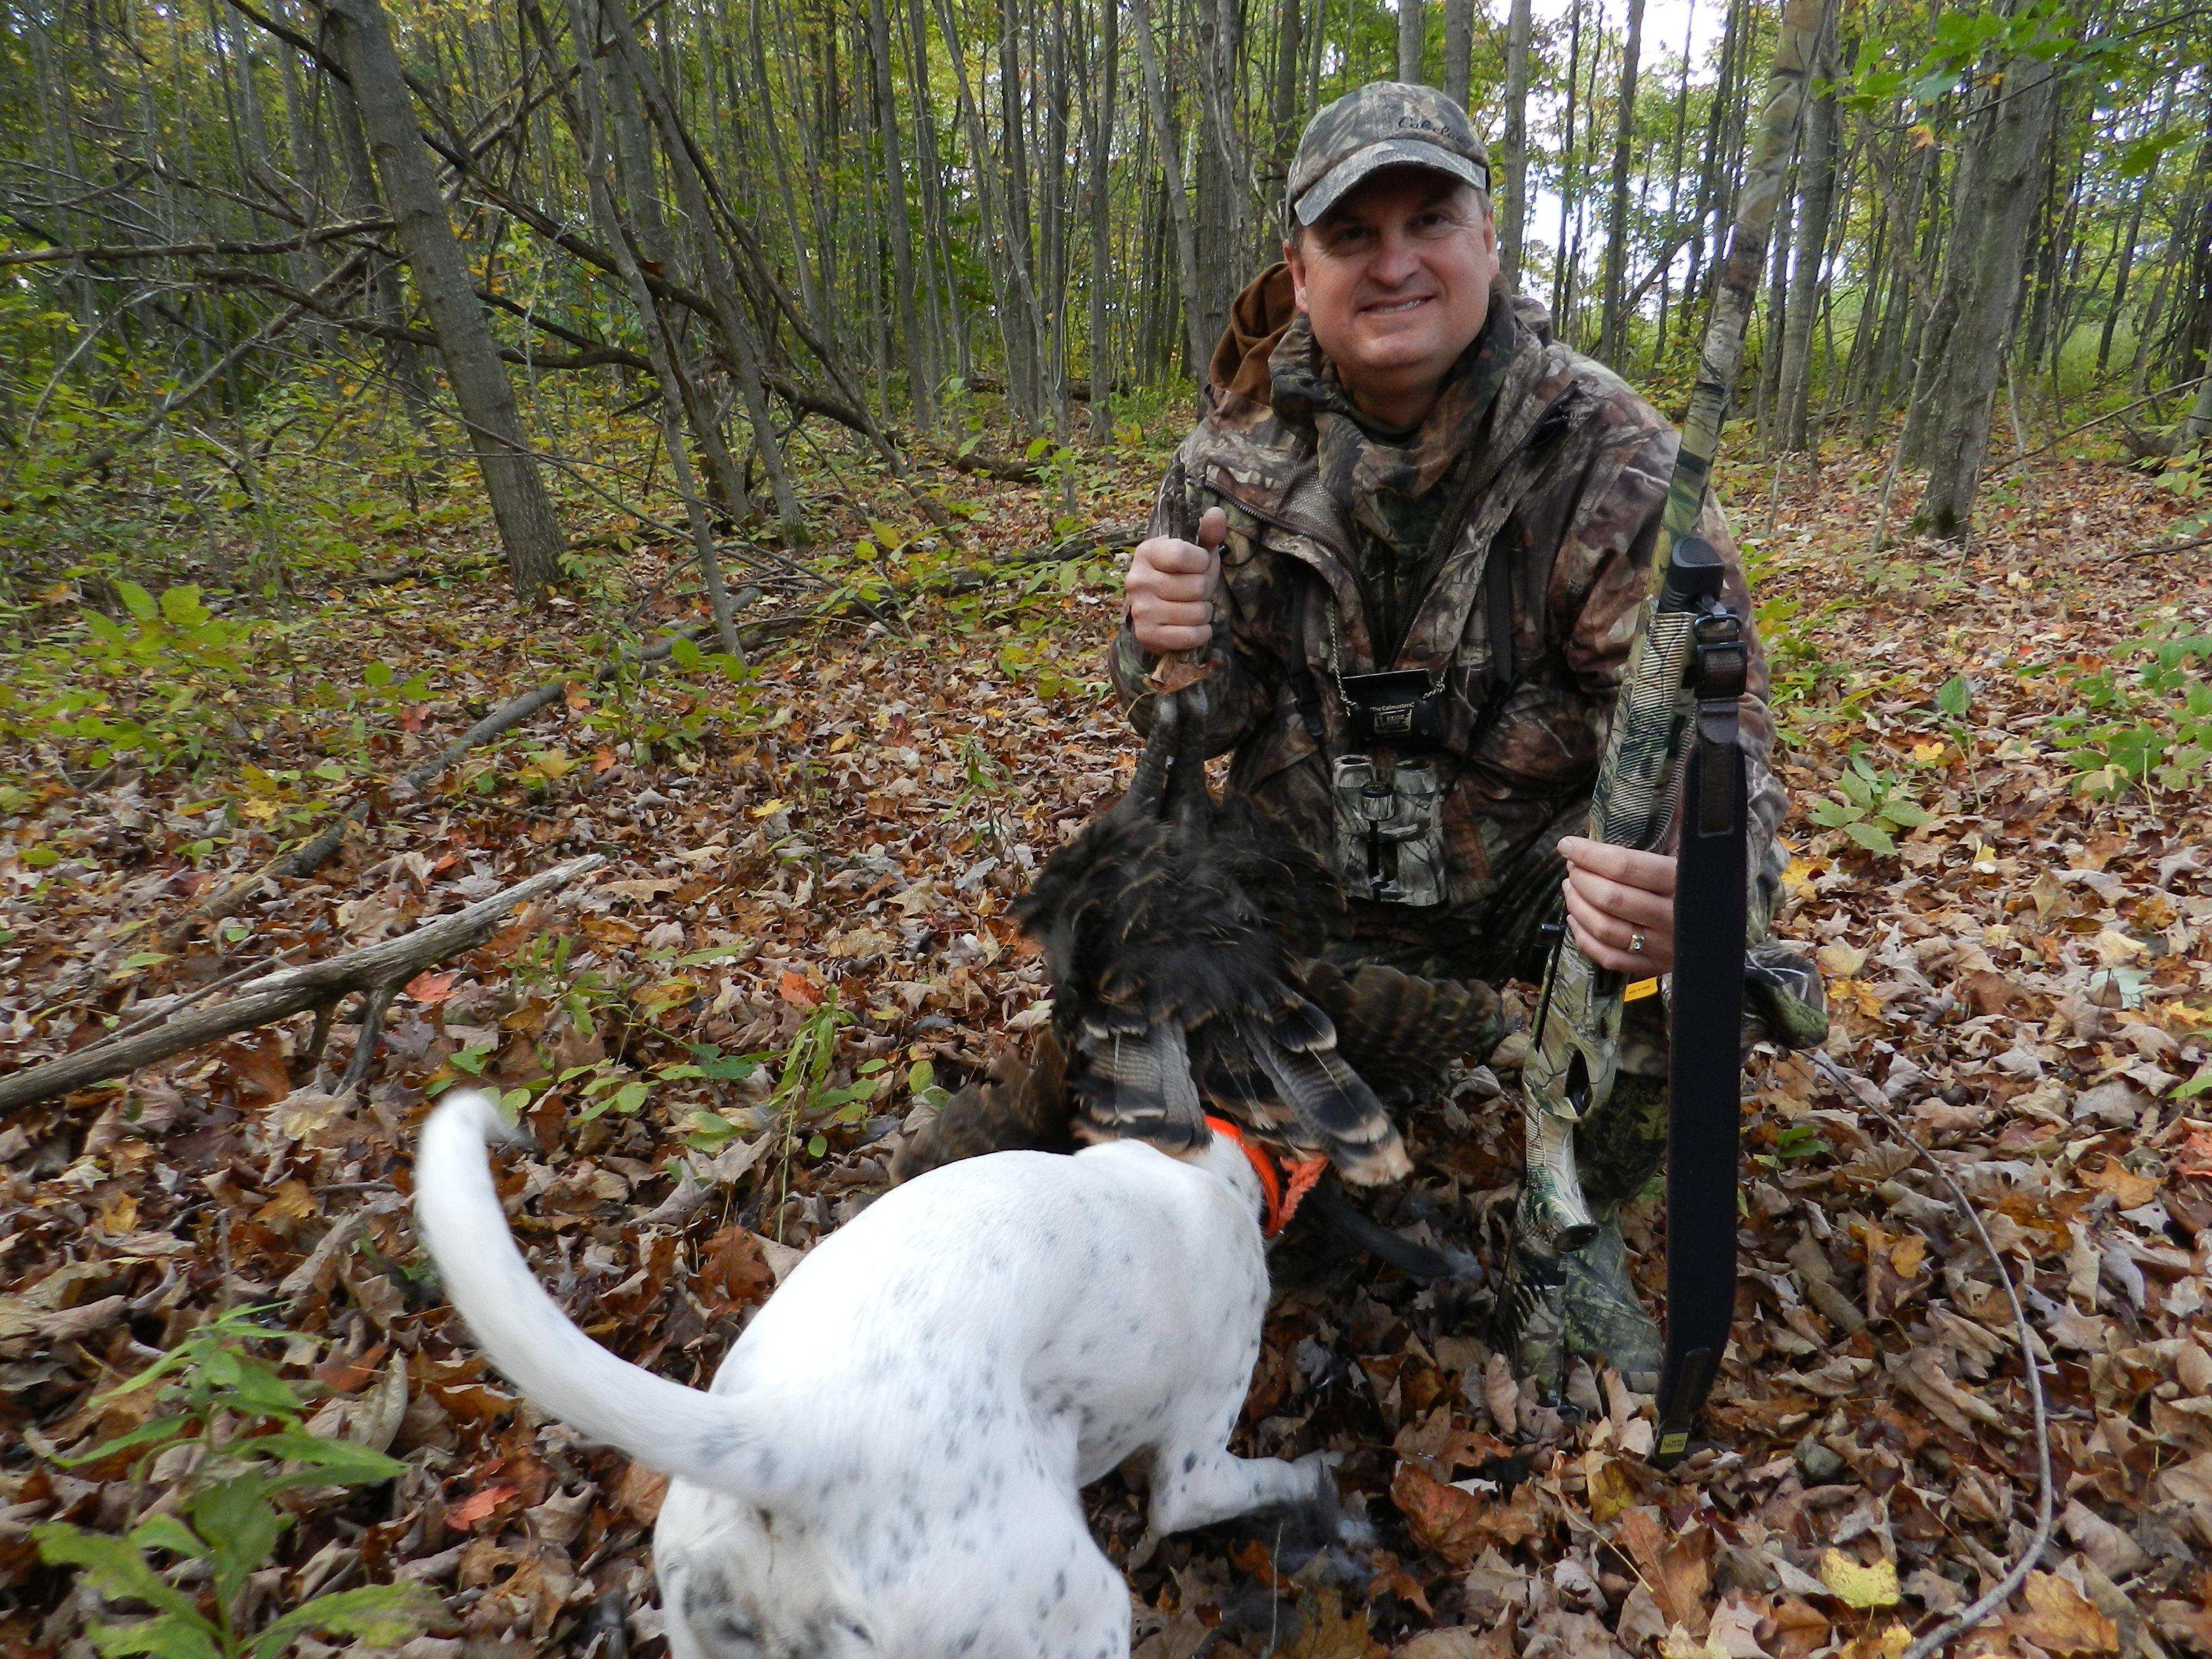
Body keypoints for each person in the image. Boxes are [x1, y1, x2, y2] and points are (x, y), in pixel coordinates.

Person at [1111, 82, 1791, 1384]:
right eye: (1351, 236)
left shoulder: (1613, 458)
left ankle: (1561, 1212)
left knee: (1688, 964)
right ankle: (1314, 1135)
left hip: (1524, 893)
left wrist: (1691, 890)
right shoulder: (1225, 463)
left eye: (1429, 218)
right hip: (1308, 871)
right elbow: (1196, 726)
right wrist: (1157, 649)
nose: (1395, 261)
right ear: (1298, 274)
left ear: (1487, 242)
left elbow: (1724, 739)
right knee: (1136, 933)